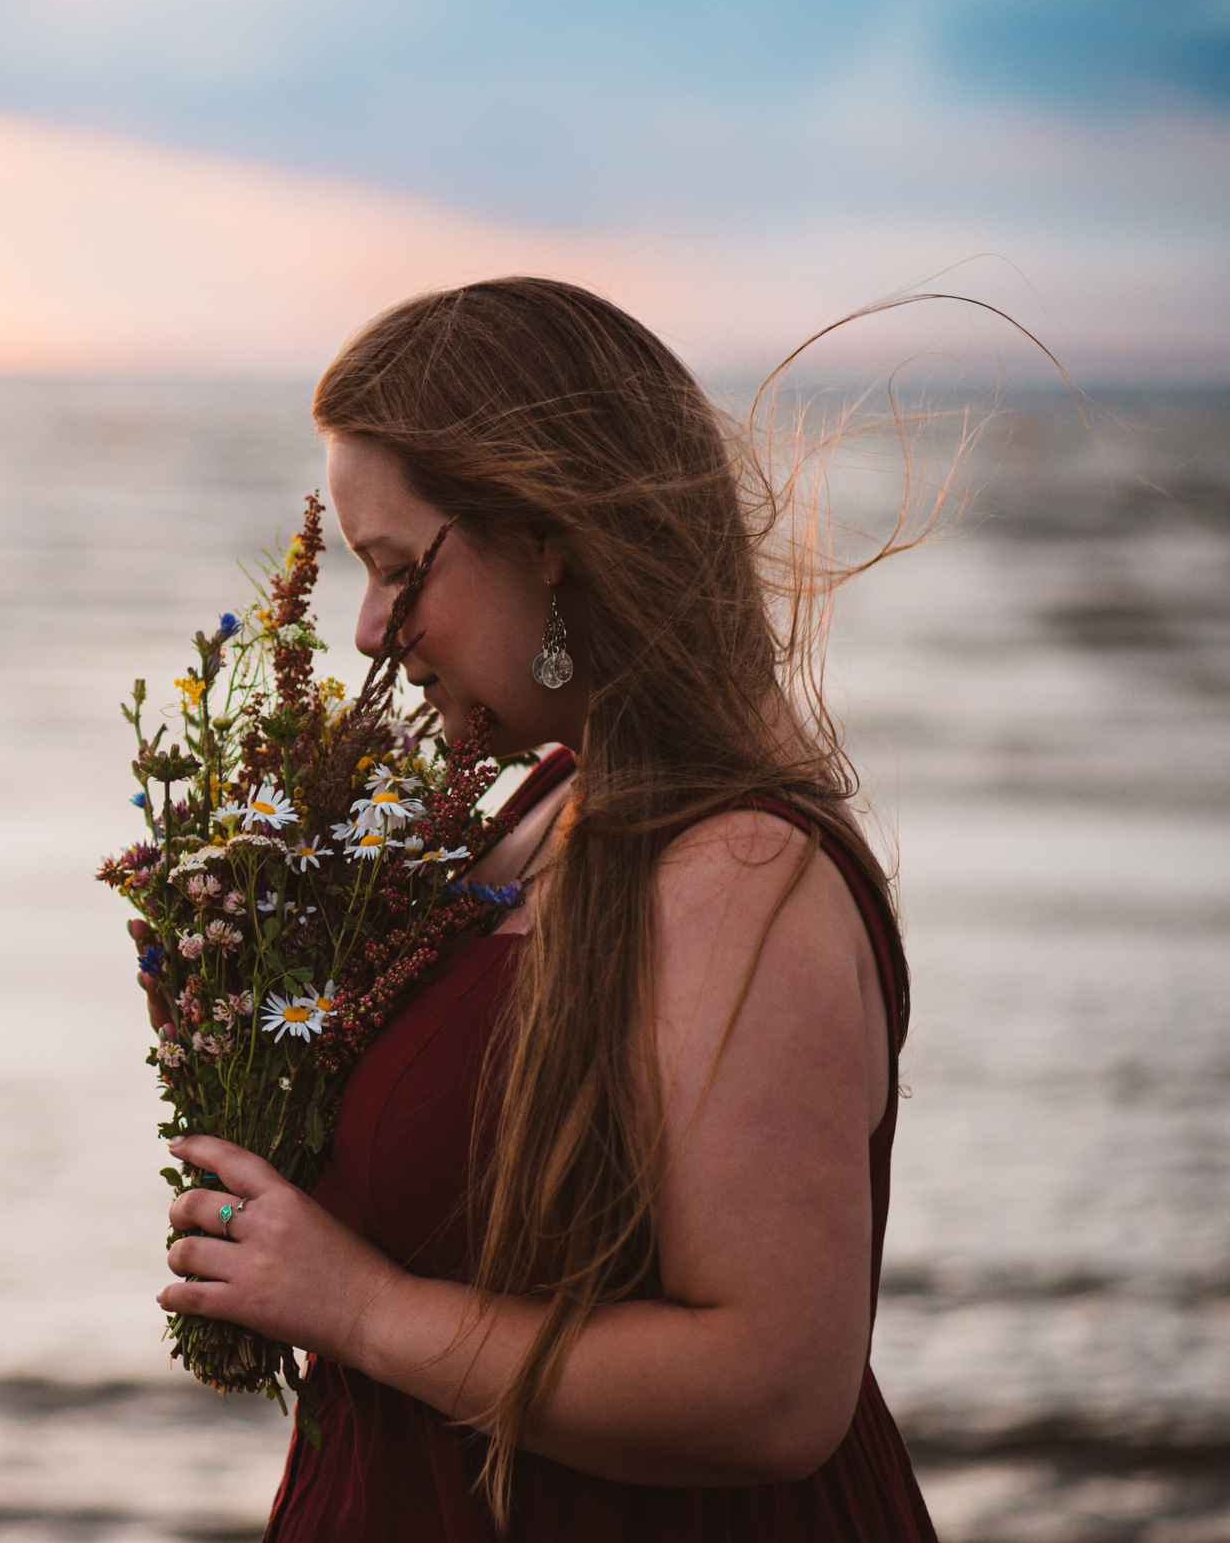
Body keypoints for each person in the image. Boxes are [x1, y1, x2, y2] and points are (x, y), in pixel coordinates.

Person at [144, 278, 937, 1539]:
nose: (368, 632)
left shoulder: (739, 871)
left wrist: (357, 1308)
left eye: (398, 569)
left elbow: (775, 1390)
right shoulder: (545, 805)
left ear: (548, 537)